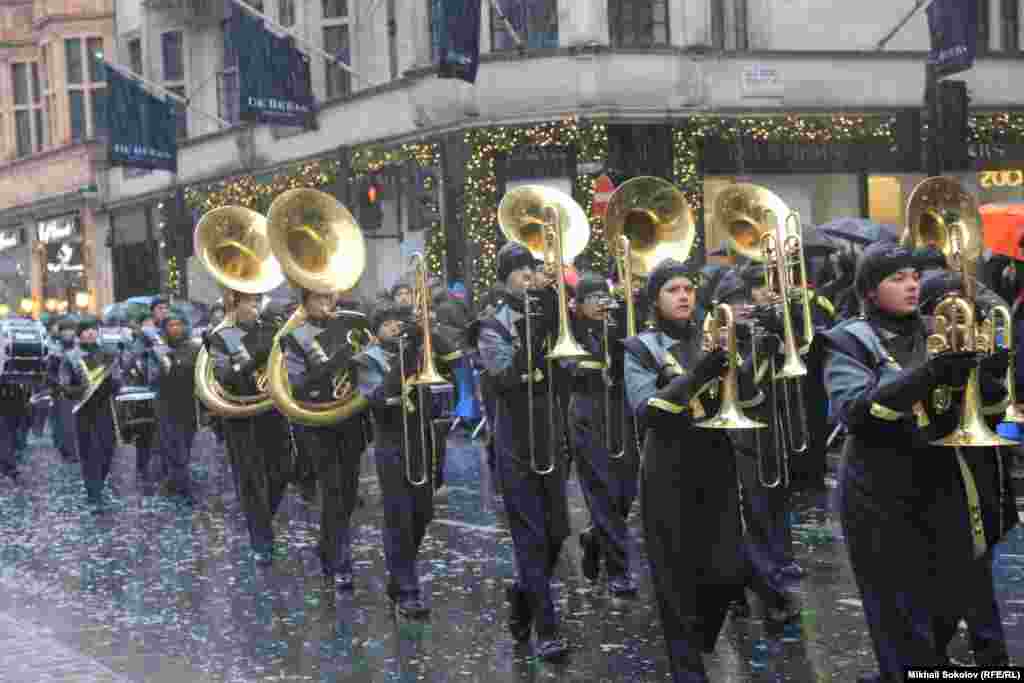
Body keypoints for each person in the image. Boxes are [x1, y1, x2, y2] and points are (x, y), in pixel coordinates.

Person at [822, 242, 1012, 681]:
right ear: (870, 291)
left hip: (941, 476)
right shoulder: (848, 339)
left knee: (945, 602)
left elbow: (982, 409)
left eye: (913, 276)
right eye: (897, 278)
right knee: (897, 615)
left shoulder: (938, 327)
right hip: (878, 486)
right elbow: (857, 411)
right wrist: (929, 373)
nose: (911, 285)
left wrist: (992, 374)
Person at [623, 258, 798, 682]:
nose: (684, 296)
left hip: (716, 462)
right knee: (674, 581)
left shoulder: (713, 338)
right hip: (667, 467)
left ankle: (696, 643)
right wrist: (701, 372)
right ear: (656, 300)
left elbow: (749, 396)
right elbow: (649, 410)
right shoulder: (639, 348)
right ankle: (688, 669)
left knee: (725, 572)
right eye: (673, 290)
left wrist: (765, 344)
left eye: (688, 288)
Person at [474, 242, 569, 659]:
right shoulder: (491, 324)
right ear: (504, 278)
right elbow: (507, 376)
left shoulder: (552, 309)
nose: (529, 275)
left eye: (533, 268)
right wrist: (534, 324)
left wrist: (558, 304)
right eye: (520, 270)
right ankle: (547, 630)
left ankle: (523, 595)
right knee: (530, 538)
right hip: (513, 435)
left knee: (557, 533)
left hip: (549, 429)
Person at [354, 302, 454, 617]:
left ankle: (399, 576)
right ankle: (408, 590)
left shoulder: (417, 351)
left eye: (400, 323)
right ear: (377, 330)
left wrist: (429, 333)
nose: (396, 328)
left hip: (422, 438)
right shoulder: (366, 360)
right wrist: (406, 357)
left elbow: (453, 363)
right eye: (389, 324)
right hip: (391, 442)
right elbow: (380, 398)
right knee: (399, 516)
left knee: (422, 514)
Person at [280, 287, 368, 586]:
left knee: (348, 491)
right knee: (332, 490)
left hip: (351, 418)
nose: (326, 304)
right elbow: (299, 385)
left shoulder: (350, 328)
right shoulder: (294, 337)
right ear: (305, 304)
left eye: (329, 298)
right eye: (318, 299)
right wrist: (334, 363)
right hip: (319, 421)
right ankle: (339, 561)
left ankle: (327, 547)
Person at [565, 273, 639, 596]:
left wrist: (620, 324)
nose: (599, 303)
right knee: (602, 491)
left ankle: (595, 537)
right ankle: (618, 571)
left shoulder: (617, 323)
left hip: (619, 410)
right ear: (579, 304)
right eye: (591, 298)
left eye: (602, 296)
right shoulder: (570, 330)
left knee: (625, 491)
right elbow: (573, 368)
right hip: (586, 412)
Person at [208, 290, 292, 564]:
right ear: (234, 306)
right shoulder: (220, 337)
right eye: (249, 302)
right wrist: (254, 359)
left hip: (272, 410)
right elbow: (224, 377)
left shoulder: (271, 330)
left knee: (282, 471)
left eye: (257, 301)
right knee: (251, 480)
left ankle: (261, 522)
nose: (256, 307)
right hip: (241, 415)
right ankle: (261, 542)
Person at [59, 317, 121, 510]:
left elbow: (118, 381)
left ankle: (98, 482)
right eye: (86, 330)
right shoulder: (70, 356)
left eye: (93, 329)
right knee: (87, 451)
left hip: (105, 408)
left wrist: (113, 382)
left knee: (107, 449)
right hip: (83, 409)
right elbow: (65, 385)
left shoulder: (108, 354)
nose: (90, 333)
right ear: (80, 334)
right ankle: (93, 491)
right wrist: (79, 389)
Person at [148, 311, 201, 503]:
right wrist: (164, 365)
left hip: (187, 403)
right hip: (166, 403)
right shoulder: (157, 350)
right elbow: (152, 378)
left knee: (184, 445)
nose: (176, 328)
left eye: (179, 324)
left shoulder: (194, 349)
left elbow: (198, 374)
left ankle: (174, 481)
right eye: (171, 325)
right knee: (174, 445)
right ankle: (184, 487)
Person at [48, 318, 80, 463]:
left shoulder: (79, 348)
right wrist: (59, 385)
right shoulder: (55, 350)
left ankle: (76, 451)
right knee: (63, 424)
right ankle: (67, 451)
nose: (68, 333)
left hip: (78, 390)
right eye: (65, 330)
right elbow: (49, 372)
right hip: (60, 392)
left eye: (71, 330)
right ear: (60, 333)